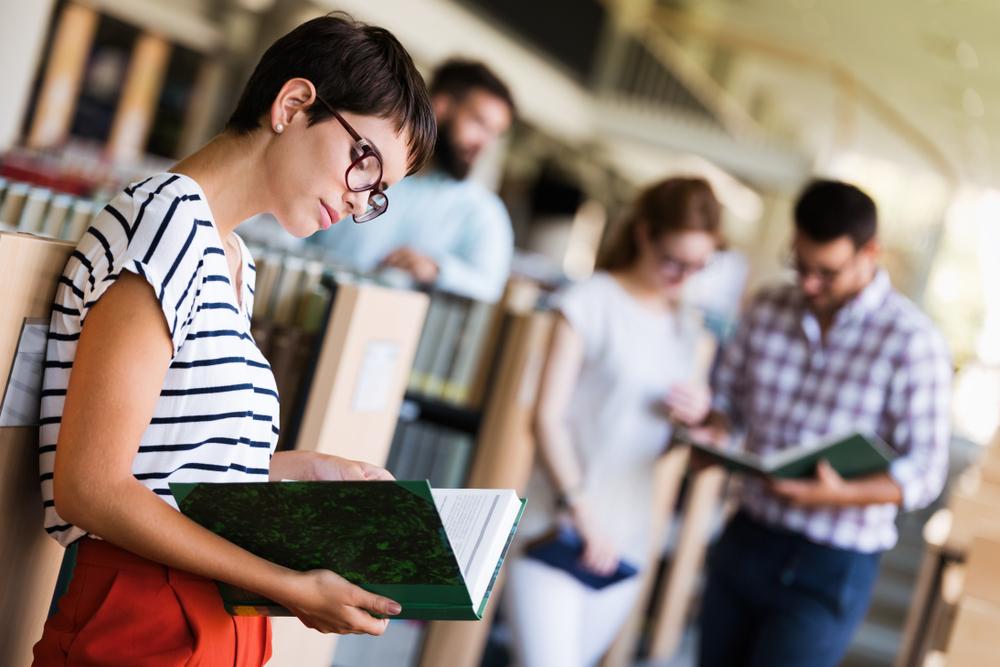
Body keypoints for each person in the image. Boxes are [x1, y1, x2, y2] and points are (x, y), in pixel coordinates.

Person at [33, 14, 435, 665]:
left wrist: (295, 469)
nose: (359, 203)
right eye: (366, 166)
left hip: (213, 622)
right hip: (142, 621)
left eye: (378, 194)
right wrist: (287, 584)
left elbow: (165, 463)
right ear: (294, 103)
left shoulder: (232, 258)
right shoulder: (165, 222)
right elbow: (92, 484)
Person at [696, 180, 952, 667]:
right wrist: (713, 431)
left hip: (832, 564)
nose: (809, 285)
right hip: (748, 536)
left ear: (870, 252)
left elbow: (925, 472)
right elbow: (728, 402)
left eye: (827, 272)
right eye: (801, 266)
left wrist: (836, 494)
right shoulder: (768, 307)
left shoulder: (912, 342)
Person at [504, 177, 722, 667]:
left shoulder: (686, 327)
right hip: (557, 524)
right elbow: (546, 417)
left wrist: (693, 423)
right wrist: (580, 510)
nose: (683, 276)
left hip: (627, 539)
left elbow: (655, 442)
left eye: (698, 266)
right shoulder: (589, 301)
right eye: (674, 260)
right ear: (645, 234)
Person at [308, 58, 515, 302]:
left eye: (494, 134)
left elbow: (490, 286)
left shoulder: (483, 211)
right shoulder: (361, 165)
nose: (484, 144)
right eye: (479, 123)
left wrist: (437, 269)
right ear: (441, 106)